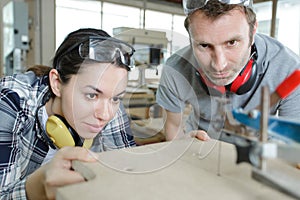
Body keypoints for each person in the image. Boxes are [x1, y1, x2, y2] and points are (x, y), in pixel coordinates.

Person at [0, 28, 136, 199]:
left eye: (116, 98)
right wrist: (36, 187)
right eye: (92, 95)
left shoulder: (108, 102)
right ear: (57, 83)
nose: (106, 115)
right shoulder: (11, 101)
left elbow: (129, 171)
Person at [156, 0, 300, 142]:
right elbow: (173, 128)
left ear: (253, 31)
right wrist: (182, 143)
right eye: (205, 45)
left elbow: (294, 144)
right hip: (200, 149)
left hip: (259, 153)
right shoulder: (175, 68)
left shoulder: (290, 69)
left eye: (232, 43)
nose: (219, 65)